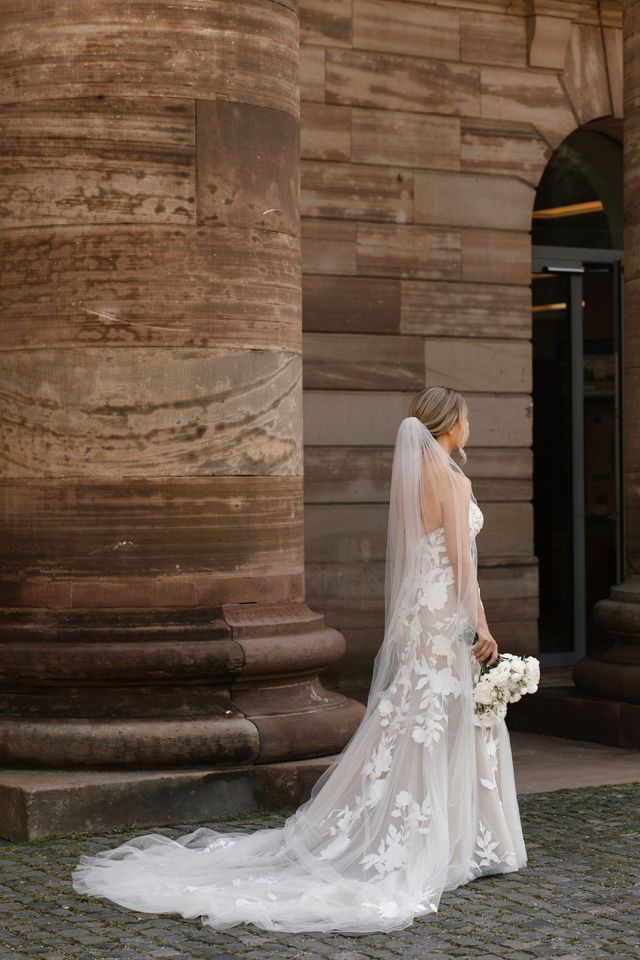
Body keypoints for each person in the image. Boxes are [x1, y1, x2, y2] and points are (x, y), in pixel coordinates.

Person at [71, 385, 527, 934]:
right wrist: (480, 623)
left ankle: (417, 832)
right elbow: (461, 563)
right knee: (438, 722)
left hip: (418, 619)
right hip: (443, 619)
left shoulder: (414, 479)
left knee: (413, 723)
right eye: (468, 419)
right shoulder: (453, 480)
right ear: (451, 423)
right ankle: (446, 841)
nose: (471, 427)